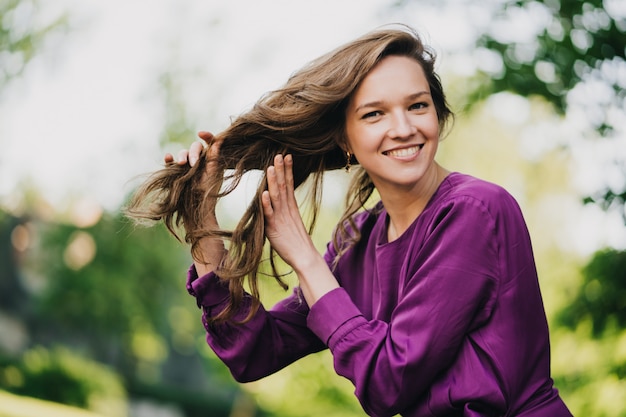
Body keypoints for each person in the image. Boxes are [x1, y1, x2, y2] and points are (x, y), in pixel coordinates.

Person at [126, 25, 572, 417]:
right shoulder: (359, 240)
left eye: (417, 106)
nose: (403, 128)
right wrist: (203, 222)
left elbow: (388, 383)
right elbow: (255, 353)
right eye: (374, 114)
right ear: (345, 139)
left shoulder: (475, 211)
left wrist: (304, 256)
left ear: (437, 114)